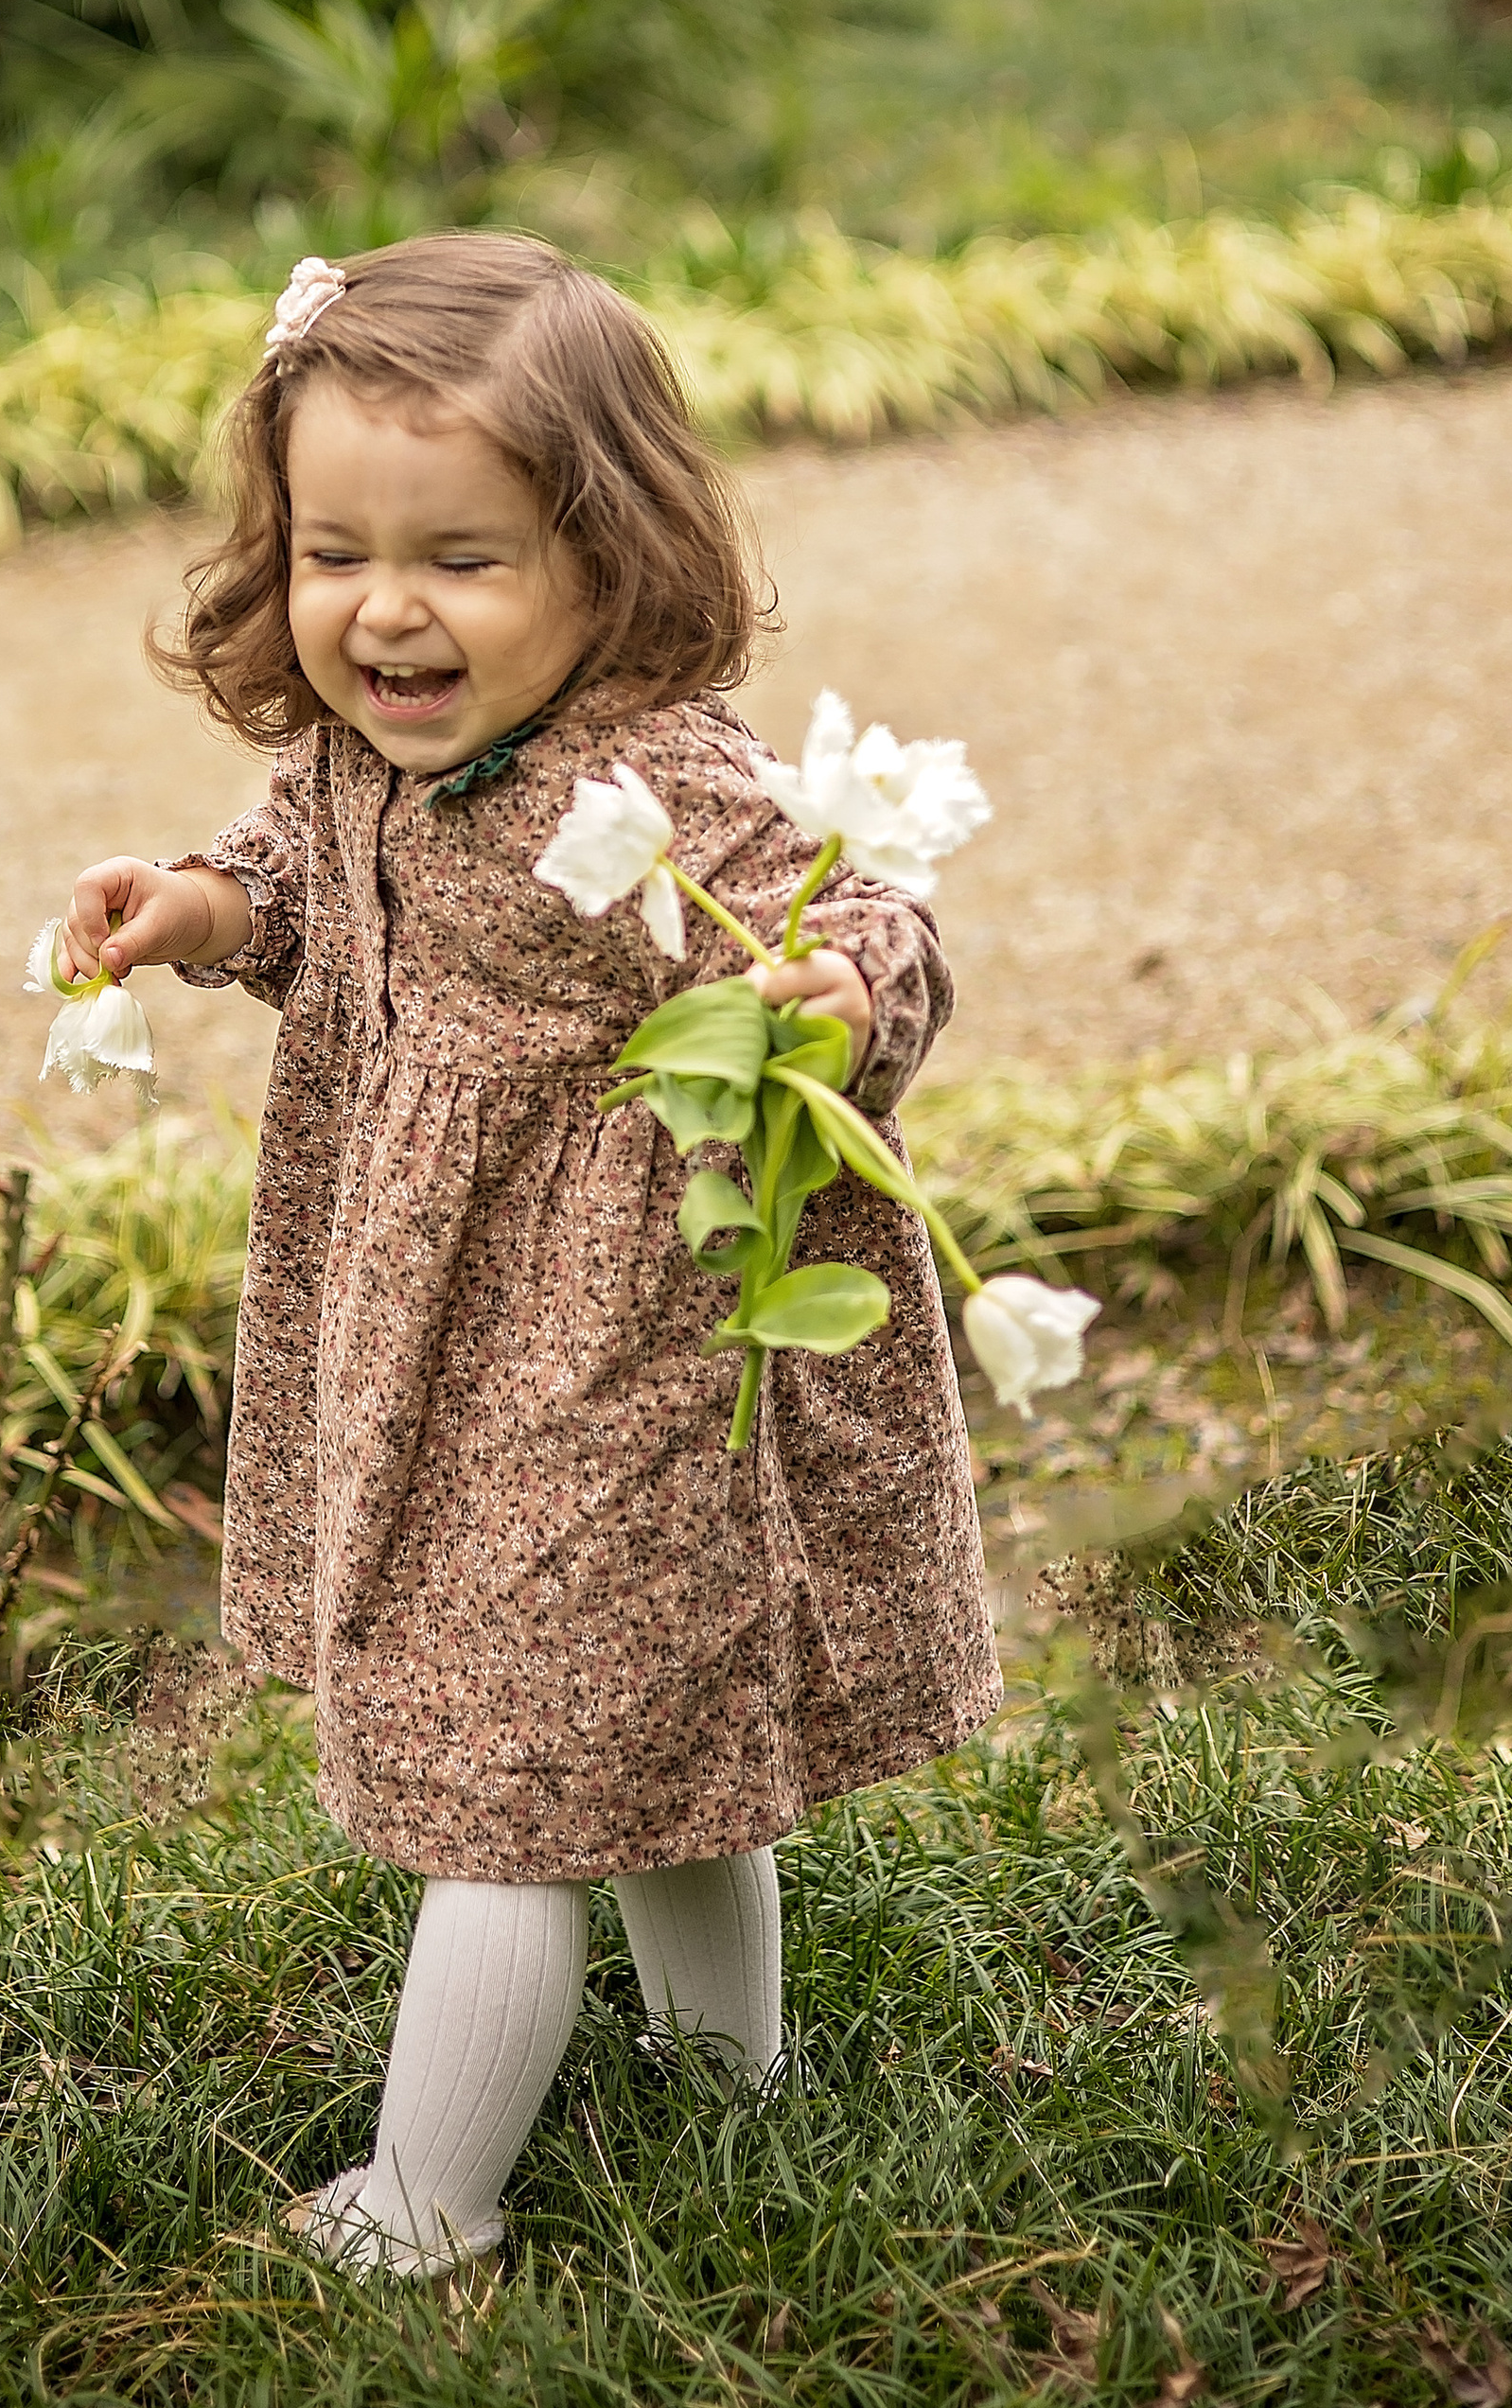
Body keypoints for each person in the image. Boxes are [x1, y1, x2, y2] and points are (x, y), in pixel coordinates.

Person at [49, 233, 997, 2276]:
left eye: (460, 558)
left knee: (509, 1774)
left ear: (607, 557)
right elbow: (304, 879)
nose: (382, 609)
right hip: (439, 1342)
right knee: (626, 1733)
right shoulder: (351, 754)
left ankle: (424, 2207)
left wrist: (837, 998)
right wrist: (199, 911)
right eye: (330, 552)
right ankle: (725, 2086)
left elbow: (880, 929)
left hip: (626, 1343)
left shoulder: (656, 781)